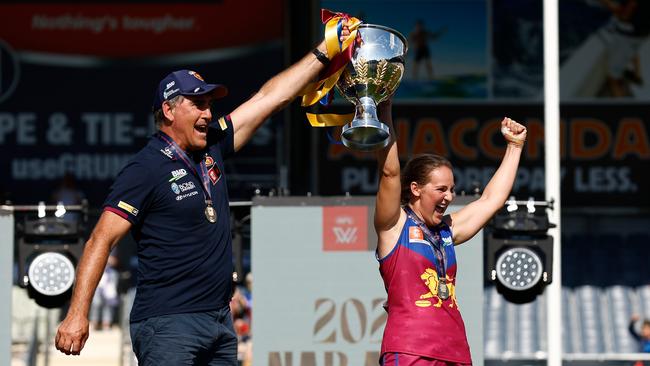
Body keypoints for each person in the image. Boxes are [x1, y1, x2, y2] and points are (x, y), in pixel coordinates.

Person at [54, 26, 352, 364]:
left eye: (209, 105)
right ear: (169, 110)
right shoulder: (145, 169)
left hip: (219, 322)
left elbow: (269, 99)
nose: (208, 114)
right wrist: (76, 314)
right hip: (168, 324)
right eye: (198, 104)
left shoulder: (213, 145)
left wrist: (324, 51)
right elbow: (100, 240)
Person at [373, 98, 526, 365]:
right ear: (415, 189)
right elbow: (389, 173)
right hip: (411, 350)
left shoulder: (447, 231)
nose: (449, 197)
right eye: (441, 189)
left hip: (455, 351)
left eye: (451, 190)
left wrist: (514, 147)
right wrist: (384, 112)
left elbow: (491, 200)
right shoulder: (394, 226)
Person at [599, 0, 650, 97]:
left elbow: (623, 16)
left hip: (627, 36)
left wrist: (605, 3)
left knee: (613, 77)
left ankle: (621, 107)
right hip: (642, 34)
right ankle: (636, 76)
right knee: (633, 50)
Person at [89, 254, 119, 330]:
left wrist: (111, 259)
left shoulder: (116, 248)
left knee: (108, 303)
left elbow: (117, 261)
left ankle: (106, 323)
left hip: (110, 276)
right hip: (97, 273)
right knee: (96, 303)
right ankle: (94, 323)